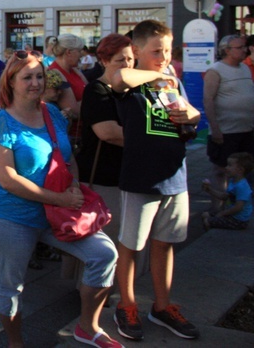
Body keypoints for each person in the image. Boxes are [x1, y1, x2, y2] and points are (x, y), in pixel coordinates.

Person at [0, 50, 120, 348]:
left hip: (56, 211)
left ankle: (88, 326)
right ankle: (15, 343)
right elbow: (8, 180)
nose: (35, 83)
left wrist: (75, 189)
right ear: (11, 82)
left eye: (39, 76)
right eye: (27, 77)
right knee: (11, 287)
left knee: (104, 254)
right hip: (10, 214)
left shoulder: (53, 113)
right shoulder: (1, 123)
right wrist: (60, 198)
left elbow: (67, 158)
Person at [109, 20, 201, 341]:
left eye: (167, 50)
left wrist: (193, 115)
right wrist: (160, 75)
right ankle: (128, 305)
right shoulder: (137, 80)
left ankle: (162, 306)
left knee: (166, 244)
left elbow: (192, 114)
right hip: (141, 178)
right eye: (156, 51)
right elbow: (120, 78)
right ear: (136, 50)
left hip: (175, 176)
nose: (164, 57)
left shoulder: (172, 80)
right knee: (131, 246)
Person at [203, 35, 254, 213]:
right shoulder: (216, 71)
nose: (244, 50)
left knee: (244, 168)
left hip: (246, 129)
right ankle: (218, 208)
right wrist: (215, 128)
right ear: (227, 50)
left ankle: (240, 205)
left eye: (244, 47)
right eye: (239, 47)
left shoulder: (246, 68)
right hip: (226, 131)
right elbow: (208, 100)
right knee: (222, 169)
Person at [76, 34, 134, 190]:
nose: (127, 65)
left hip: (128, 174)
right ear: (105, 61)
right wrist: (148, 140)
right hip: (103, 177)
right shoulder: (96, 90)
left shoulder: (134, 90)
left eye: (130, 59)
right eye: (120, 60)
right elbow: (108, 133)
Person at [202, 152, 253, 231]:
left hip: (238, 220)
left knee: (207, 221)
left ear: (240, 170)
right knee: (205, 214)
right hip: (231, 214)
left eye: (229, 165)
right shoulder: (233, 181)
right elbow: (225, 196)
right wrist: (209, 190)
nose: (226, 167)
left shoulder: (242, 187)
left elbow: (238, 207)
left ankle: (213, 238)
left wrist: (223, 213)